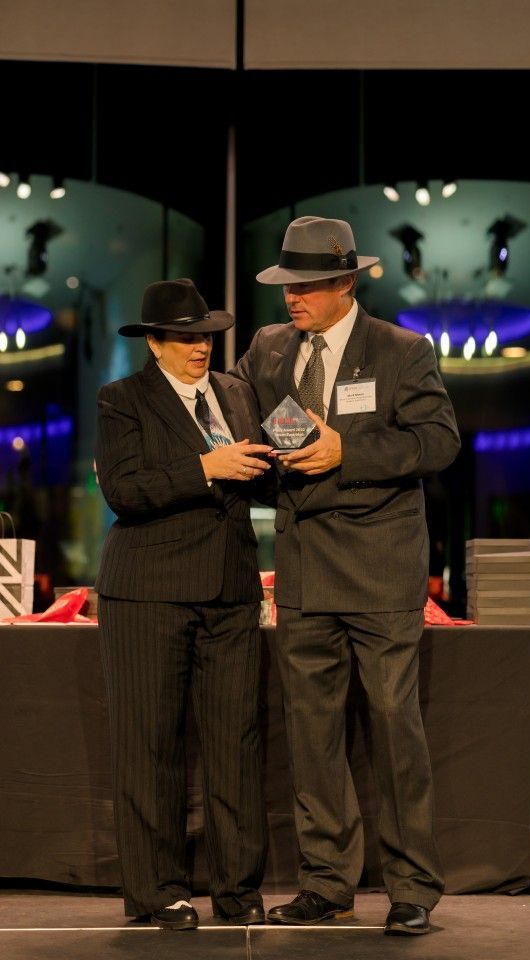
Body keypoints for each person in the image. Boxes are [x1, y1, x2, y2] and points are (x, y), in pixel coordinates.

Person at [232, 216, 461, 935]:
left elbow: (438, 441)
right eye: (287, 285)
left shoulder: (401, 350)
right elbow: (236, 413)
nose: (291, 299)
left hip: (380, 569)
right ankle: (326, 883)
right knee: (312, 733)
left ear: (344, 283)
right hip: (303, 570)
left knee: (396, 728)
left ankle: (413, 886)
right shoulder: (268, 349)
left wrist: (346, 452)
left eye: (304, 286)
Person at [95, 278, 273, 931]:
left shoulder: (236, 392)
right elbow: (124, 489)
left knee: (236, 740)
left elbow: (261, 468)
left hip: (229, 589)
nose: (199, 347)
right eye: (184, 337)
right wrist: (207, 467)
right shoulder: (122, 400)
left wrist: (287, 450)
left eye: (203, 335)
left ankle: (236, 887)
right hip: (149, 591)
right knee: (152, 745)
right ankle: (159, 889)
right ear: (155, 342)